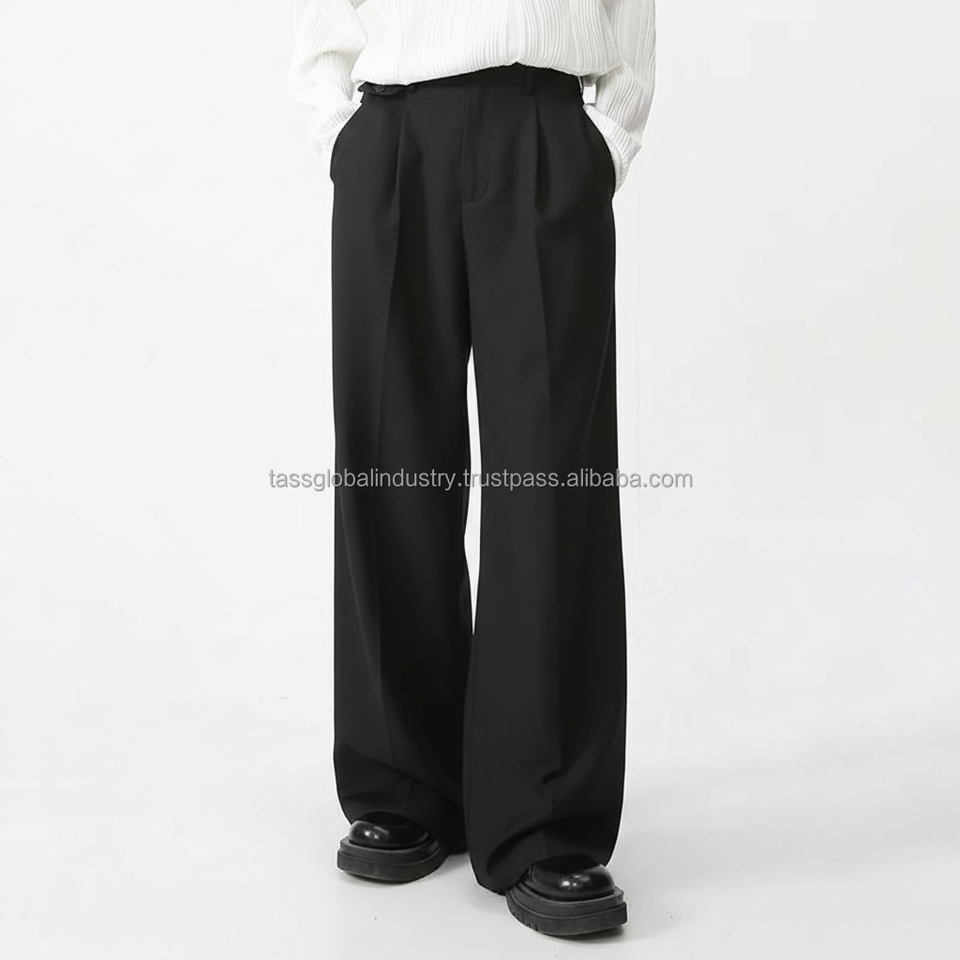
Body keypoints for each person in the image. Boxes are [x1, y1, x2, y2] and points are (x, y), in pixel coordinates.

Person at [286, 0, 656, 938]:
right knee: (389, 463)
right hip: (392, 127)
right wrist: (342, 130)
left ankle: (548, 817)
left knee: (553, 478)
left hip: (543, 124)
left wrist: (606, 137)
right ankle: (402, 777)